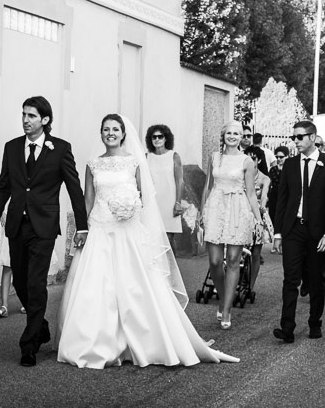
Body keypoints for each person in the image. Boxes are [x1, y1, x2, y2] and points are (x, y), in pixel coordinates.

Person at [57, 114, 238, 367]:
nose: (110, 133)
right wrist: (83, 229)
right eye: (106, 129)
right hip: (99, 228)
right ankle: (95, 341)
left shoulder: (134, 163)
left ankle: (143, 341)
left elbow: (145, 198)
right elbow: (88, 200)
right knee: (96, 287)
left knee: (133, 286)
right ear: (101, 134)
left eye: (115, 129)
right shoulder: (93, 164)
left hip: (128, 230)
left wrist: (132, 209)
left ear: (123, 134)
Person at [0, 96, 88, 367]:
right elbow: (3, 186)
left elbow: (74, 189)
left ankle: (28, 345)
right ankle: (40, 326)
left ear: (45, 120)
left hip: (43, 227)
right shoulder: (11, 148)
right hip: (17, 226)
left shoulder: (60, 149)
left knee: (35, 282)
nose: (25, 120)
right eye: (23, 115)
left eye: (31, 115)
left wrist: (82, 225)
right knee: (20, 281)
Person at [273, 121, 325, 343]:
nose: (296, 141)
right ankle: (287, 328)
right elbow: (282, 201)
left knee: (316, 279)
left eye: (300, 137)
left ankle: (315, 322)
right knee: (290, 279)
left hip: (318, 232)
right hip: (293, 229)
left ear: (313, 137)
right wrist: (278, 233)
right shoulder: (291, 165)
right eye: (294, 137)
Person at [198, 121, 263, 329]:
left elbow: (251, 193)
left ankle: (226, 309)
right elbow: (208, 186)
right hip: (216, 207)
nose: (233, 136)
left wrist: (258, 220)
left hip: (238, 209)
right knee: (215, 261)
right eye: (229, 133)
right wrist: (202, 211)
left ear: (241, 136)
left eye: (237, 133)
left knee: (234, 259)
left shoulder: (247, 161)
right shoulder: (215, 157)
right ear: (223, 135)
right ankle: (224, 295)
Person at [145, 124, 184, 253]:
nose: (157, 139)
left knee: (168, 238)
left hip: (170, 202)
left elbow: (179, 181)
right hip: (153, 202)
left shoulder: (174, 156)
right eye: (153, 137)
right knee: (153, 238)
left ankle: (172, 271)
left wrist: (178, 203)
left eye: (160, 136)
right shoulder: (147, 157)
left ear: (166, 138)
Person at [244, 145, 272, 288]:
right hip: (241, 214)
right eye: (247, 157)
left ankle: (251, 286)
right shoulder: (240, 174)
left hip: (257, 216)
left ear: (259, 160)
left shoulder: (264, 178)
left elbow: (265, 195)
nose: (250, 160)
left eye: (253, 158)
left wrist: (262, 204)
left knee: (256, 252)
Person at [266, 145, 290, 254]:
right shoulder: (273, 169)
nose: (279, 159)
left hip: (286, 197)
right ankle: (277, 242)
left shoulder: (290, 169)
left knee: (285, 220)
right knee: (274, 218)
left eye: (282, 157)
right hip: (274, 196)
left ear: (287, 156)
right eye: (277, 157)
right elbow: (274, 182)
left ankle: (284, 244)